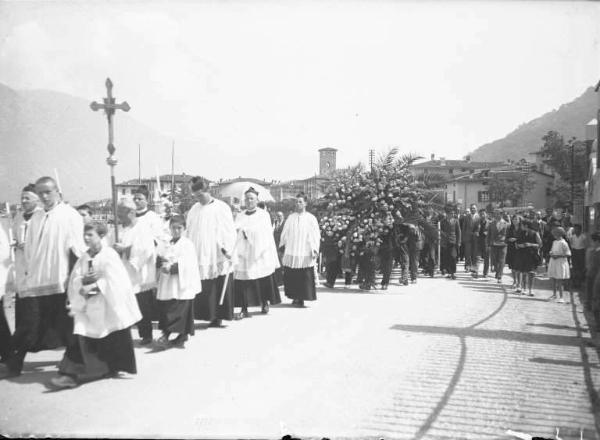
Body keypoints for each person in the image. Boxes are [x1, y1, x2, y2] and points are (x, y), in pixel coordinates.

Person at [3, 177, 85, 378]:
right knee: (28, 323)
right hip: (36, 281)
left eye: (48, 192)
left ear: (58, 191)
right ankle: (14, 364)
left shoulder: (70, 215)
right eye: (41, 193)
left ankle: (74, 362)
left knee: (67, 324)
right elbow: (30, 249)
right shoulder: (37, 217)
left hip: (60, 280)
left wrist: (77, 278)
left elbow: (77, 248)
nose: (45, 197)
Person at [49, 222, 141, 389]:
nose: (86, 238)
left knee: (111, 335)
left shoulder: (109, 255)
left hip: (108, 305)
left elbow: (118, 281)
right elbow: (75, 279)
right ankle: (70, 374)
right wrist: (83, 282)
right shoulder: (84, 257)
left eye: (90, 234)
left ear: (101, 236)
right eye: (85, 235)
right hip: (88, 305)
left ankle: (107, 368)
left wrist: (97, 286)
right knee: (81, 333)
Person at [186, 177, 236, 327]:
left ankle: (217, 316)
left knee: (216, 284)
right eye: (195, 196)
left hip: (216, 252)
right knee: (203, 285)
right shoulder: (194, 209)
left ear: (208, 191)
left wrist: (227, 248)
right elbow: (189, 230)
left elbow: (229, 230)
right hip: (199, 251)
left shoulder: (221, 207)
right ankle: (205, 314)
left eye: (200, 195)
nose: (198, 199)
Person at [108, 198, 157, 345]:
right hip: (122, 273)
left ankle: (146, 334)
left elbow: (146, 249)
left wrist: (125, 249)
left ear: (131, 212)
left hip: (139, 273)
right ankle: (123, 334)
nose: (118, 216)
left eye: (121, 213)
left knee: (142, 305)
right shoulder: (117, 229)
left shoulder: (143, 228)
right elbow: (108, 246)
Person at [233, 188, 281, 318]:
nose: (249, 201)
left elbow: (264, 233)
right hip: (244, 251)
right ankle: (244, 308)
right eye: (247, 198)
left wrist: (247, 231)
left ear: (257, 200)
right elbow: (235, 230)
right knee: (243, 281)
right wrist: (238, 231)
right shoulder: (240, 215)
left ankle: (264, 302)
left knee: (262, 278)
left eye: (251, 198)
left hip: (260, 251)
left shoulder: (263, 215)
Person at [155, 215, 201, 348]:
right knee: (167, 307)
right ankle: (175, 334)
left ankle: (169, 335)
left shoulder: (187, 244)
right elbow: (160, 256)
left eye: (179, 228)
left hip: (181, 283)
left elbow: (188, 263)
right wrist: (160, 262)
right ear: (169, 228)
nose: (176, 231)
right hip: (168, 283)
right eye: (173, 228)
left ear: (184, 229)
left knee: (179, 308)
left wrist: (172, 268)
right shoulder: (167, 243)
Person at [279, 193, 320, 307]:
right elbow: (285, 232)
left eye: (300, 202)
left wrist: (315, 249)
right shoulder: (291, 217)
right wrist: (283, 245)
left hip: (305, 250)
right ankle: (294, 296)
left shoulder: (311, 218)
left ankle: (302, 297)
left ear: (305, 203)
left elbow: (315, 234)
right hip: (292, 250)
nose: (298, 204)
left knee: (304, 275)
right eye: (296, 202)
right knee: (293, 275)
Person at [513, 219, 542, 296]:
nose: (521, 226)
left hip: (531, 255)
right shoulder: (520, 233)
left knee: (531, 273)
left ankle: (531, 289)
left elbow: (540, 244)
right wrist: (520, 245)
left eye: (522, 225)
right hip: (522, 254)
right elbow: (516, 244)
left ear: (526, 225)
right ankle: (524, 288)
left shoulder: (535, 233)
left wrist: (530, 244)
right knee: (523, 272)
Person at [548, 227, 571, 303]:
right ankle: (554, 294)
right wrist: (551, 253)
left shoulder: (563, 243)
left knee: (559, 280)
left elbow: (568, 253)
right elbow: (551, 250)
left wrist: (558, 256)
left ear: (559, 234)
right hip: (553, 261)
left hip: (560, 262)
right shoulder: (554, 242)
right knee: (553, 278)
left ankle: (561, 297)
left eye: (555, 234)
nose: (554, 235)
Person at [440, 205, 461, 280]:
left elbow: (458, 232)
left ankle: (453, 272)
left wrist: (458, 242)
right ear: (447, 214)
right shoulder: (443, 221)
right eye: (451, 213)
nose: (452, 214)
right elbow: (440, 231)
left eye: (453, 213)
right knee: (447, 257)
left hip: (453, 241)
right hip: (445, 242)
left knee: (453, 257)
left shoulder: (456, 221)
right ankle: (449, 272)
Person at [489, 208, 509, 284]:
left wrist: (507, 242)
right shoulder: (491, 223)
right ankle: (497, 272)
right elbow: (489, 234)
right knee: (495, 260)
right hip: (494, 244)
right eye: (495, 214)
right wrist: (488, 244)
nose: (497, 215)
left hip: (503, 244)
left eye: (498, 214)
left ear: (501, 214)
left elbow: (508, 235)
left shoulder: (506, 224)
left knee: (501, 260)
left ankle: (500, 276)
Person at [461, 204, 480, 273]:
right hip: (468, 237)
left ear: (476, 209)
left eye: (474, 208)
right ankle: (467, 267)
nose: (473, 209)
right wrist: (463, 237)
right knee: (467, 253)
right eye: (471, 208)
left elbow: (480, 228)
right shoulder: (467, 217)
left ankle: (474, 267)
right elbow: (463, 228)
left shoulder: (479, 217)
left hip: (475, 238)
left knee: (475, 254)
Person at [378, 212, 395, 290]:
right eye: (385, 219)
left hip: (389, 249)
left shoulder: (392, 227)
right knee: (382, 266)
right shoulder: (380, 227)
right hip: (380, 249)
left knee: (388, 267)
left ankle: (385, 283)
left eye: (388, 219)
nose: (386, 220)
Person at [568, 224, 588, 288]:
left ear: (580, 230)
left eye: (577, 229)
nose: (576, 230)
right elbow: (571, 245)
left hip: (581, 252)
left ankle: (580, 281)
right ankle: (575, 282)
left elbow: (585, 245)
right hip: (574, 252)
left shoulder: (583, 236)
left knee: (581, 267)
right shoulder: (572, 237)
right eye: (575, 229)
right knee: (575, 267)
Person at [393, 213, 410, 286]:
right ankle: (404, 278)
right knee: (404, 263)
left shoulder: (405, 226)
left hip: (403, 246)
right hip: (400, 246)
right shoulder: (397, 226)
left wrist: (400, 241)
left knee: (405, 263)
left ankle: (404, 278)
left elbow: (406, 236)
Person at [587, 232, 600, 325]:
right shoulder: (594, 251)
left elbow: (593, 266)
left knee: (596, 298)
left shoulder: (596, 252)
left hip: (596, 277)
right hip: (594, 276)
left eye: (593, 241)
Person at [473, 209, 490, 279]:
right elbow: (473, 231)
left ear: (486, 214)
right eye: (481, 214)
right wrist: (475, 233)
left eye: (483, 214)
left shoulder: (490, 223)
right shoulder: (477, 222)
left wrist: (487, 233)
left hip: (486, 242)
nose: (482, 215)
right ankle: (476, 272)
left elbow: (492, 232)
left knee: (486, 259)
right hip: (478, 242)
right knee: (477, 258)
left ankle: (485, 273)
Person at [506, 215, 521, 289]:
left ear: (519, 220)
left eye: (516, 219)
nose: (514, 221)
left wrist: (516, 239)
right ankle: (514, 281)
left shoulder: (522, 229)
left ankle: (519, 283)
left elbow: (523, 238)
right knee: (512, 266)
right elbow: (506, 238)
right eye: (513, 219)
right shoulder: (510, 228)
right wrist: (509, 239)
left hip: (519, 249)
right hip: (511, 248)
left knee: (519, 267)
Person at [272, 211, 285, 286]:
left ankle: (283, 280)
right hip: (276, 246)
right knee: (278, 264)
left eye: (280, 216)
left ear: (283, 216)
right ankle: (279, 280)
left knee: (283, 264)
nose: (279, 217)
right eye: (277, 216)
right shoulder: (275, 224)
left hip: (283, 247)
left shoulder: (285, 224)